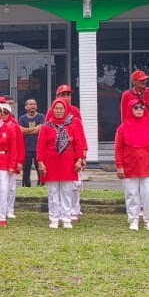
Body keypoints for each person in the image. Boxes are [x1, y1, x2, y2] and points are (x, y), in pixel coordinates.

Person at [37, 98, 87, 229]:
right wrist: (41, 162)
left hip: (67, 162)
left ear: (66, 110)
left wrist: (79, 159)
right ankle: (54, 218)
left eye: (61, 108)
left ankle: (66, 218)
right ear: (52, 110)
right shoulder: (46, 127)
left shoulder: (72, 125)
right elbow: (40, 146)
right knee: (53, 191)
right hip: (51, 162)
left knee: (66, 191)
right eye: (56, 108)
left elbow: (78, 144)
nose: (59, 111)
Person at [115, 99, 149, 231]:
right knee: (131, 194)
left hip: (148, 165)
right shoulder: (122, 128)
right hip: (130, 165)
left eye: (141, 107)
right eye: (136, 108)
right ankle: (133, 219)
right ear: (130, 109)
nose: (139, 110)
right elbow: (118, 148)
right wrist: (119, 166)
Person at [54, 84, 88, 222]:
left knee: (75, 184)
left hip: (73, 152)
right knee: (58, 184)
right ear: (57, 97)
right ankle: (59, 210)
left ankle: (74, 210)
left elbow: (81, 134)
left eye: (68, 94)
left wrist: (83, 154)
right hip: (57, 154)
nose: (66, 97)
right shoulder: (53, 111)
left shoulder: (75, 112)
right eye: (63, 94)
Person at [18, 98, 45, 187]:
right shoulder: (22, 118)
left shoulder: (41, 116)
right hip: (26, 147)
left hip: (38, 147)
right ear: (26, 107)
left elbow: (41, 129)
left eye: (34, 104)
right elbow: (21, 132)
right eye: (30, 104)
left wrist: (27, 131)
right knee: (26, 169)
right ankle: (26, 186)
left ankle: (41, 185)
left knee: (40, 168)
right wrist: (35, 129)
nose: (33, 105)